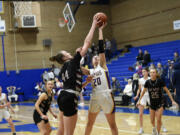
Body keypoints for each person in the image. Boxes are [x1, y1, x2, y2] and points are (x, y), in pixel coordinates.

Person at [49, 16, 98, 135]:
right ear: (65, 57)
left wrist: (86, 81)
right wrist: (93, 25)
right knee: (69, 133)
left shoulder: (63, 69)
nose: (69, 53)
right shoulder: (73, 61)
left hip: (63, 96)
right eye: (67, 53)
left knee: (61, 131)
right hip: (69, 98)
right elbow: (87, 42)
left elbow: (74, 86)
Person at [81, 22, 118, 135]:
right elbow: (77, 68)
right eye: (94, 58)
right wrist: (77, 58)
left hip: (106, 94)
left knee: (112, 124)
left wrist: (100, 30)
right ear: (91, 61)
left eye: (98, 57)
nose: (96, 58)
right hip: (95, 96)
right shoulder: (90, 71)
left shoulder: (103, 66)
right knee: (89, 123)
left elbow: (101, 49)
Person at [137, 68, 178, 135]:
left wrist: (172, 100)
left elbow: (167, 91)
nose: (152, 74)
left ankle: (158, 133)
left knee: (158, 119)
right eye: (151, 72)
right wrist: (139, 100)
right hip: (152, 104)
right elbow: (143, 92)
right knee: (152, 120)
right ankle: (154, 128)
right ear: (149, 73)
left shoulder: (160, 81)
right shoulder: (147, 82)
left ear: (156, 73)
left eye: (153, 72)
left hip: (160, 103)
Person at [134, 68, 150, 134]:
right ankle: (141, 128)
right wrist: (137, 96)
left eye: (144, 71)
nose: (143, 73)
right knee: (140, 114)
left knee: (156, 112)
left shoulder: (150, 79)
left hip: (150, 96)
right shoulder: (140, 80)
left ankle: (161, 126)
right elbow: (139, 89)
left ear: (147, 72)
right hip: (142, 96)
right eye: (142, 72)